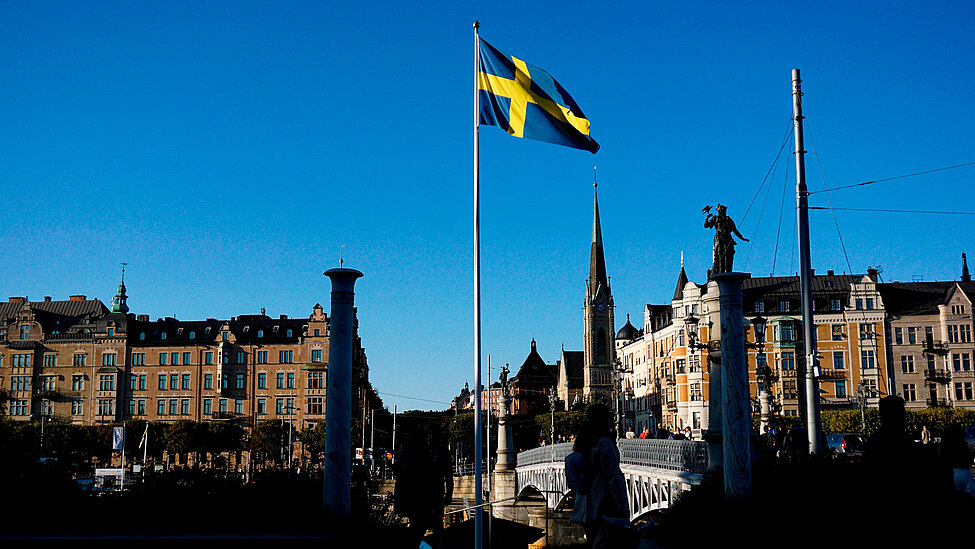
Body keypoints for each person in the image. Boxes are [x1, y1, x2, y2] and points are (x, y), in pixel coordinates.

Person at [570, 404, 632, 549]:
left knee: (593, 543)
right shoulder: (605, 444)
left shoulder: (582, 443)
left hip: (586, 506)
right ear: (603, 420)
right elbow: (612, 477)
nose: (610, 421)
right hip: (604, 504)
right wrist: (621, 504)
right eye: (608, 417)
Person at [394, 426, 454, 547]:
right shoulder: (420, 452)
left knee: (436, 528)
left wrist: (449, 494)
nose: (432, 438)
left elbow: (449, 476)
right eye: (430, 435)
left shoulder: (443, 453)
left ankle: (432, 546)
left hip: (436, 495)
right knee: (418, 528)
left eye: (435, 435)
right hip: (420, 496)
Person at [704, 204, 748, 275]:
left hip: (727, 239)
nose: (724, 211)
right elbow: (706, 225)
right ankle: (720, 273)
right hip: (719, 238)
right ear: (719, 210)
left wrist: (742, 238)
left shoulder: (728, 219)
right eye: (723, 210)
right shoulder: (716, 218)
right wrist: (706, 218)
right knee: (720, 254)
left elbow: (735, 230)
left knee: (728, 255)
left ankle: (728, 272)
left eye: (725, 210)